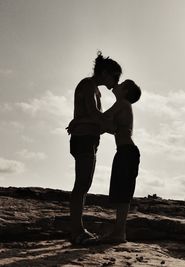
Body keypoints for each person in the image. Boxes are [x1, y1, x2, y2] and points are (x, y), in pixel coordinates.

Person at [67, 51, 122, 245]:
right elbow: (95, 116)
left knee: (83, 185)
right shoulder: (87, 85)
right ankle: (76, 231)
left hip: (87, 138)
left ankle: (77, 229)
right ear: (105, 72)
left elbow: (92, 118)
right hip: (83, 139)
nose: (116, 81)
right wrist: (115, 127)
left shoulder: (93, 88)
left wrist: (84, 121)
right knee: (81, 185)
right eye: (115, 76)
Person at [98, 79, 141, 243]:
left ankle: (119, 233)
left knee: (123, 193)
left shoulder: (122, 103)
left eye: (121, 84)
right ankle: (119, 232)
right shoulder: (123, 106)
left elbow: (103, 118)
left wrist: (81, 120)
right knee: (121, 193)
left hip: (127, 152)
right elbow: (109, 127)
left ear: (125, 91)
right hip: (125, 151)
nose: (117, 85)